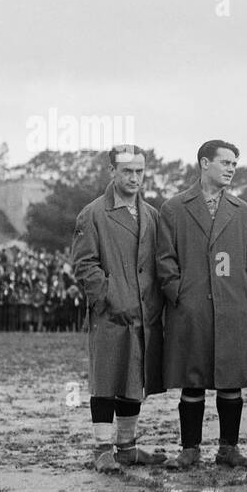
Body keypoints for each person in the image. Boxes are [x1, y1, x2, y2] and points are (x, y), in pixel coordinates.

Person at [156, 139, 247, 469]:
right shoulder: (174, 208)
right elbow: (164, 258)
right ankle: (190, 449)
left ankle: (229, 448)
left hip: (232, 307)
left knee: (231, 382)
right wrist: (180, 294)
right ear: (204, 163)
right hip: (192, 308)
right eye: (225, 162)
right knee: (193, 379)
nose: (231, 168)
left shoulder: (243, 211)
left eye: (234, 163)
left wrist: (245, 293)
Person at [70, 145, 167, 472]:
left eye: (140, 171)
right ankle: (101, 448)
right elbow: (84, 264)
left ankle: (127, 446)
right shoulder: (93, 213)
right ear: (112, 171)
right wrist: (110, 297)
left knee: (134, 377)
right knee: (107, 378)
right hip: (110, 315)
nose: (135, 177)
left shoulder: (152, 215)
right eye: (127, 171)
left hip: (145, 314)